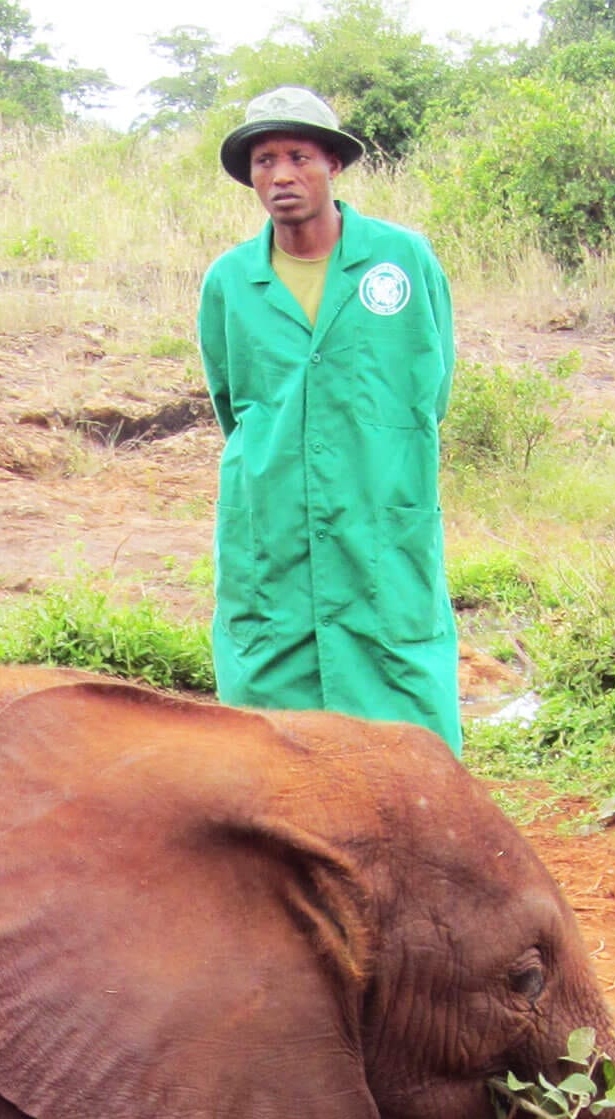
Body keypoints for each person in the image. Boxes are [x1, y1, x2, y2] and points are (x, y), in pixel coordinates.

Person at [198, 86, 461, 753]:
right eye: (263, 160)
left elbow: (433, 386)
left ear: (333, 164)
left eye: (298, 156)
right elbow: (232, 402)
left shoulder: (402, 260)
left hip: (382, 511)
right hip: (272, 519)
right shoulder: (230, 281)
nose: (280, 176)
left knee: (401, 693)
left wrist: (374, 458)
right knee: (273, 710)